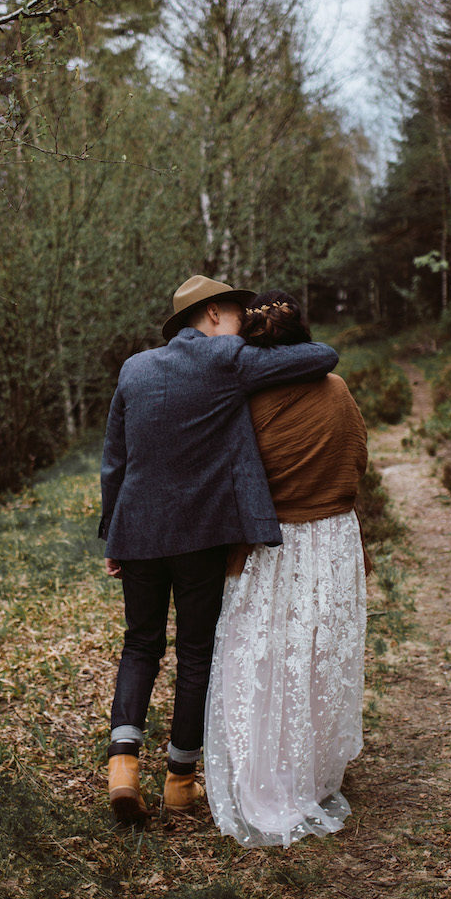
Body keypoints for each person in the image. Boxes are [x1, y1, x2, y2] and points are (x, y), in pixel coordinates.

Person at [99, 274, 340, 824]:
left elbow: (114, 460)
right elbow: (321, 356)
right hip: (198, 536)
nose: (244, 324)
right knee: (194, 655)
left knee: (140, 646)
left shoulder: (134, 368)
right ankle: (180, 782)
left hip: (136, 534)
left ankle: (122, 768)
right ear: (211, 314)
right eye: (236, 312)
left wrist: (112, 532)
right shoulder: (227, 358)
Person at [204, 290, 368, 848]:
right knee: (320, 655)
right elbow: (358, 456)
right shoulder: (338, 390)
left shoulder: (241, 400)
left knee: (260, 652)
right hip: (334, 538)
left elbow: (231, 478)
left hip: (272, 544)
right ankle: (313, 774)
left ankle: (265, 773)